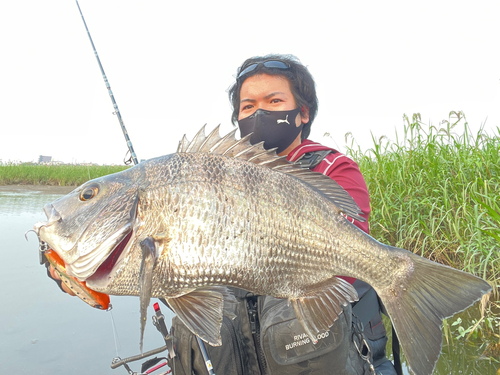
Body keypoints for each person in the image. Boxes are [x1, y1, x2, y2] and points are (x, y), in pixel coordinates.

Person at [48, 54, 398, 375]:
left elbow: (351, 245)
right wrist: (71, 257)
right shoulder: (214, 174)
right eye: (248, 106)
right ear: (238, 118)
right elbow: (184, 275)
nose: (259, 112)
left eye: (274, 101)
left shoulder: (332, 169)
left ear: (303, 113)